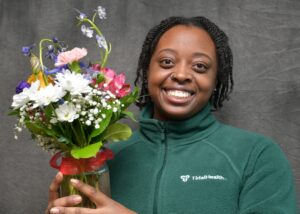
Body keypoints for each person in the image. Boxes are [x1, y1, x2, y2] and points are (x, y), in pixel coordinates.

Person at [46, 16, 298, 214]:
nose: (181, 74)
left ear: (216, 81)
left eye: (200, 66)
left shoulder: (255, 155)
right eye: (167, 62)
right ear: (147, 72)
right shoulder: (105, 159)